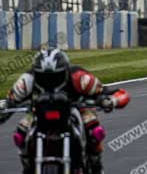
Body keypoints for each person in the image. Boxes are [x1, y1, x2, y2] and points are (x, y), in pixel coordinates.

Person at [0, 47, 129, 173]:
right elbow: (10, 101)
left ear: (65, 72)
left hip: (76, 108)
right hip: (38, 112)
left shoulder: (80, 78)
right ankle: (27, 164)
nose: (50, 82)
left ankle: (96, 163)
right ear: (35, 73)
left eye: (55, 77)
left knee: (95, 130)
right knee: (20, 133)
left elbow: (113, 93)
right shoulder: (27, 80)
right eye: (44, 78)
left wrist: (108, 101)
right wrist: (3, 111)